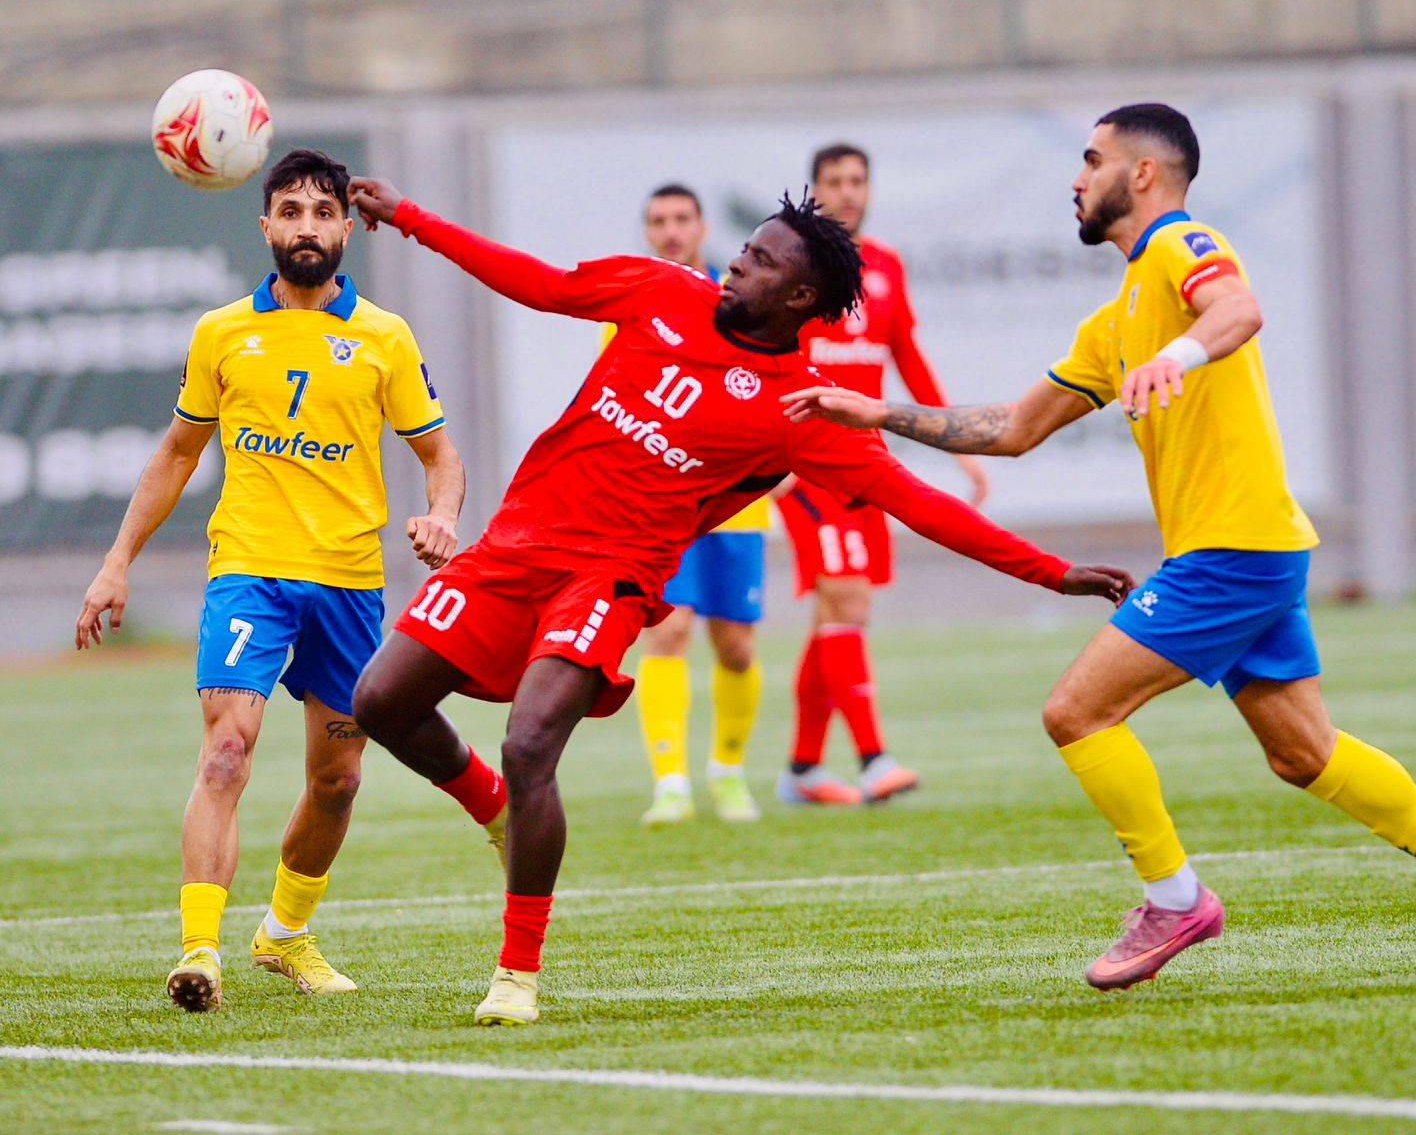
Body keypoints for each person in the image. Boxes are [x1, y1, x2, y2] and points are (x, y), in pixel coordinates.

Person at [342, 174, 1134, 1026]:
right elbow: (538, 283)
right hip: (518, 543)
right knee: (381, 701)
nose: (733, 265)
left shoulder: (803, 410)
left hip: (613, 575)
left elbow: (923, 505)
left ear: (798, 296)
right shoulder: (656, 289)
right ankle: (492, 808)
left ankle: (516, 975)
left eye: (757, 262)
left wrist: (1052, 572)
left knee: (532, 742)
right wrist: (414, 219)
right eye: (743, 248)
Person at [782, 103, 1416, 989]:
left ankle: (1176, 900)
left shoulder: (1184, 246)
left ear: (1141, 174)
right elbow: (1013, 428)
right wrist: (884, 415)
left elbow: (1239, 308)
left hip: (1232, 551)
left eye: (1090, 158)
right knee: (1304, 753)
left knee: (1075, 712)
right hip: (1253, 547)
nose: (1075, 177)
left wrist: (1179, 355)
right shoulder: (1114, 321)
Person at [74, 149, 466, 1013]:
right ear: (265, 227)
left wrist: (442, 516)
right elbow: (178, 452)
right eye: (289, 212)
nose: (306, 228)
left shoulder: (385, 337)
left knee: (340, 780)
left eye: (322, 213)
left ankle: (284, 937)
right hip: (249, 572)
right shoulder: (222, 332)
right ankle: (199, 953)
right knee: (225, 751)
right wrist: (114, 565)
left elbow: (440, 456)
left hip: (349, 584)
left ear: (345, 229)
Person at [774, 143, 990, 806]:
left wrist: (956, 441)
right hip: (808, 461)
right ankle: (874, 759)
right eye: (834, 181)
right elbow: (764, 356)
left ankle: (804, 771)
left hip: (868, 460)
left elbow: (905, 354)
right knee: (848, 598)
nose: (847, 192)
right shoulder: (793, 264)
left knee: (834, 615)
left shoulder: (887, 265)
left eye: (857, 180)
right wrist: (770, 452)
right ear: (816, 188)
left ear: (869, 187)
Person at [601, 184, 771, 826]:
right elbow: (615, 401)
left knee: (736, 646)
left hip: (734, 506)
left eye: (681, 219)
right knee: (667, 632)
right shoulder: (634, 304)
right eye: (658, 221)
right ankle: (670, 782)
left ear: (702, 227)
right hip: (662, 505)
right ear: (647, 232)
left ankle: (728, 771)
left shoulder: (743, 300)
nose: (670, 231)